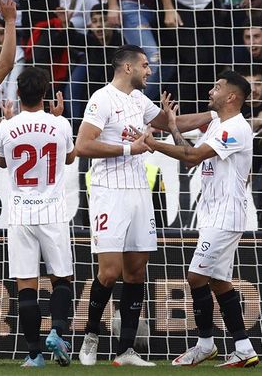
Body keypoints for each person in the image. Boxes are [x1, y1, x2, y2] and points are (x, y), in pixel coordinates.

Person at [136, 72, 262, 367]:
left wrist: (153, 144)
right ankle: (244, 348)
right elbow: (191, 152)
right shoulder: (218, 123)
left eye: (217, 87)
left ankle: (205, 344)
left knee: (196, 276)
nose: (210, 90)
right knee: (219, 282)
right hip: (213, 212)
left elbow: (193, 157)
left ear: (231, 97)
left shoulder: (236, 128)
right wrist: (171, 128)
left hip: (226, 214)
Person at [72, 44, 177, 366]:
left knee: (136, 272)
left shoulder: (139, 99)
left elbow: (169, 123)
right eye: (145, 65)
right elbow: (83, 145)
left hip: (138, 193)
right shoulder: (101, 99)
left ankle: (126, 350)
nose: (150, 70)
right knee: (110, 272)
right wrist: (129, 150)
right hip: (109, 192)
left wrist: (214, 116)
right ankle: (90, 337)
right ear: (128, 68)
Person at [0, 67, 77, 367]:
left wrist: (7, 123)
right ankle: (57, 330)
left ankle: (34, 354)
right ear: (45, 94)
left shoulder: (7, 127)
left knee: (26, 285)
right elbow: (70, 157)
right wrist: (57, 117)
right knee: (61, 278)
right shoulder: (61, 124)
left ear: (18, 94)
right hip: (53, 211)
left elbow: (2, 162)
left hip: (20, 213)